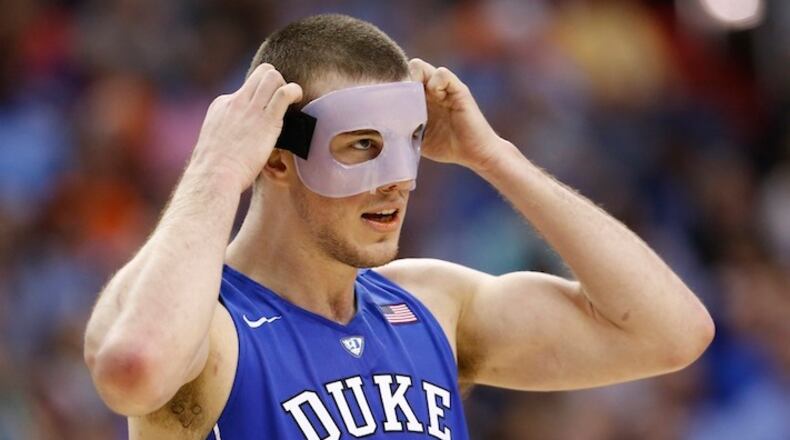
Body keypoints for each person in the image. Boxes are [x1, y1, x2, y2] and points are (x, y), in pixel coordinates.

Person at [83, 14, 714, 439]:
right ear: (275, 158)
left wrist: (495, 157)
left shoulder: (431, 305)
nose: (399, 179)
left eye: (410, 142)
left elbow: (672, 333)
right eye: (360, 146)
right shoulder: (210, 328)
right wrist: (216, 171)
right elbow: (133, 367)